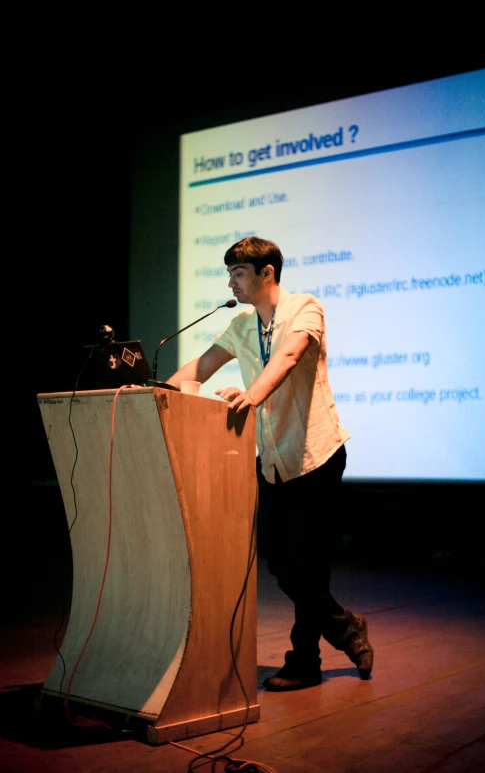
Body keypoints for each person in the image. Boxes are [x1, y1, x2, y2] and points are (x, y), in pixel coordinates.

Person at [166, 236, 374, 691]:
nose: (231, 282)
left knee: (310, 566)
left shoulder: (306, 308)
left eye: (238, 273)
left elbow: (288, 355)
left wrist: (250, 396)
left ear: (267, 273)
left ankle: (304, 662)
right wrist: (155, 394)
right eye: (230, 274)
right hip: (273, 462)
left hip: (315, 454)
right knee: (282, 564)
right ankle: (344, 626)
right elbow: (196, 371)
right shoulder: (240, 326)